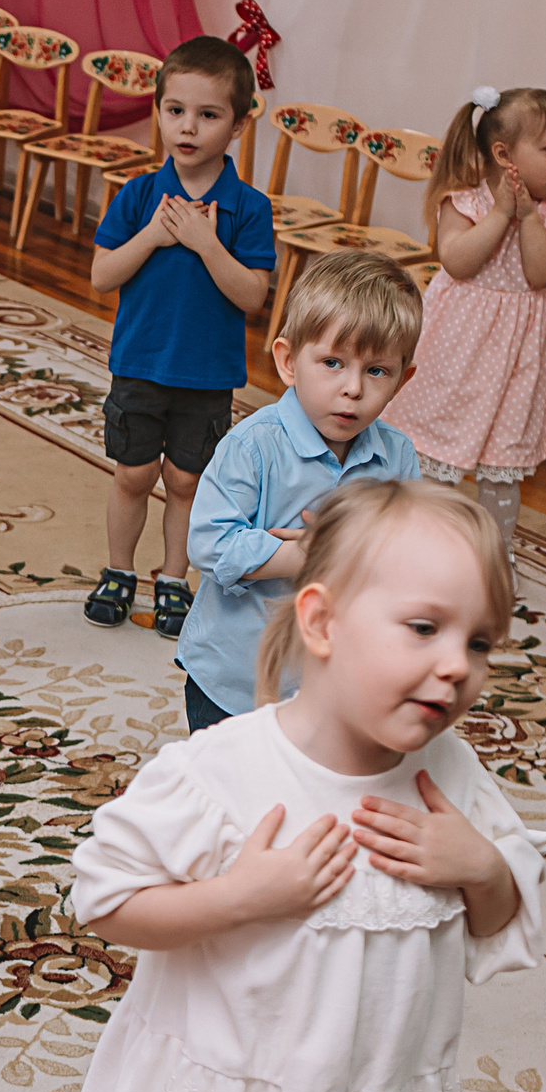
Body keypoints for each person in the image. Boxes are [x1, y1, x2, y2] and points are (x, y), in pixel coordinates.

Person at [49, 479, 544, 1092]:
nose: (458, 663)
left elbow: (503, 920)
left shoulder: (452, 777)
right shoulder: (224, 771)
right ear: (320, 622)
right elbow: (105, 897)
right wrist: (239, 897)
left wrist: (481, 867)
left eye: (479, 641)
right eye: (424, 628)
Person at [178, 252, 424, 732]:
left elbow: (408, 557)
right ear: (289, 361)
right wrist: (307, 555)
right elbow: (209, 543)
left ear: (402, 379)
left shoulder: (398, 459)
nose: (352, 388)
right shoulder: (253, 446)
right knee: (231, 799)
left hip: (335, 685)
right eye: (333, 363)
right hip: (236, 681)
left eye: (377, 371)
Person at [87, 37, 275, 638]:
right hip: (139, 363)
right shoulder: (140, 194)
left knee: (188, 481)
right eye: (175, 111)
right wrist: (154, 237)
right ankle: (119, 571)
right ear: (159, 111)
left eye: (208, 114)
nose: (187, 127)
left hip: (207, 374)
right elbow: (100, 276)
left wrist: (205, 242)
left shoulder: (247, 207)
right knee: (132, 475)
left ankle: (174, 577)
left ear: (239, 124)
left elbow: (253, 296)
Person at [382, 85, 546, 553]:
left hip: (516, 359)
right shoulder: (463, 201)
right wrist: (500, 214)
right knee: (434, 458)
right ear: (503, 153)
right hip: (455, 349)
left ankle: (491, 558)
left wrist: (529, 218)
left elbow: (543, 273)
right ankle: (414, 547)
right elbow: (457, 261)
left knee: (502, 465)